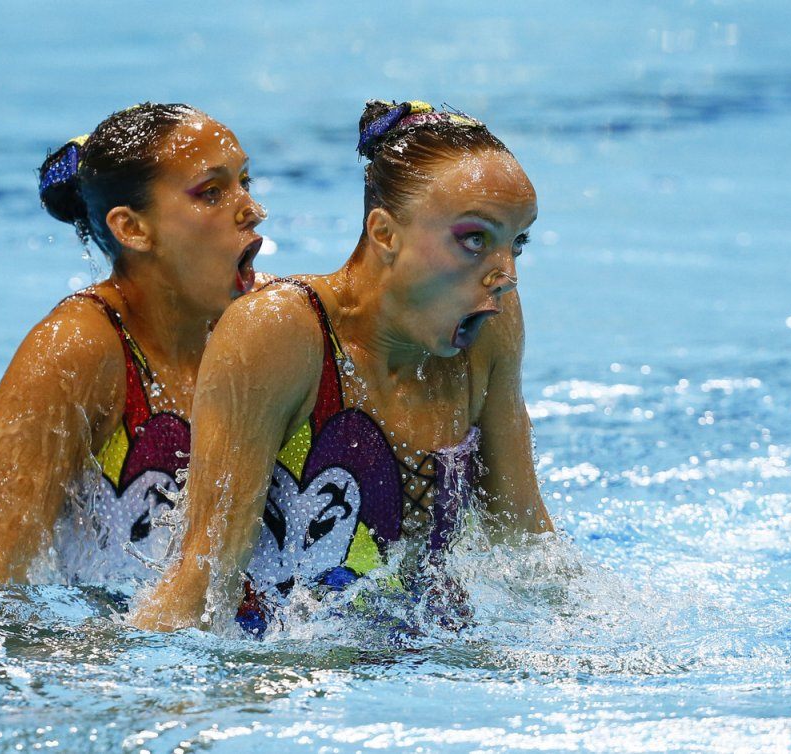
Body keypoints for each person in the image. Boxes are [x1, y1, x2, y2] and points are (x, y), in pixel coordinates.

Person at [131, 100, 554, 633]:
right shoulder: (280, 332)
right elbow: (202, 579)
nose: (506, 274)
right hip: (282, 678)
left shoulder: (489, 328)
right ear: (385, 234)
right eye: (475, 240)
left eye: (517, 242)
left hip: (432, 669)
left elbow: (525, 542)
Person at [0, 103, 265, 583]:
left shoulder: (268, 325)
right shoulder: (74, 351)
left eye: (246, 182)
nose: (252, 208)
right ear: (132, 228)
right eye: (212, 192)